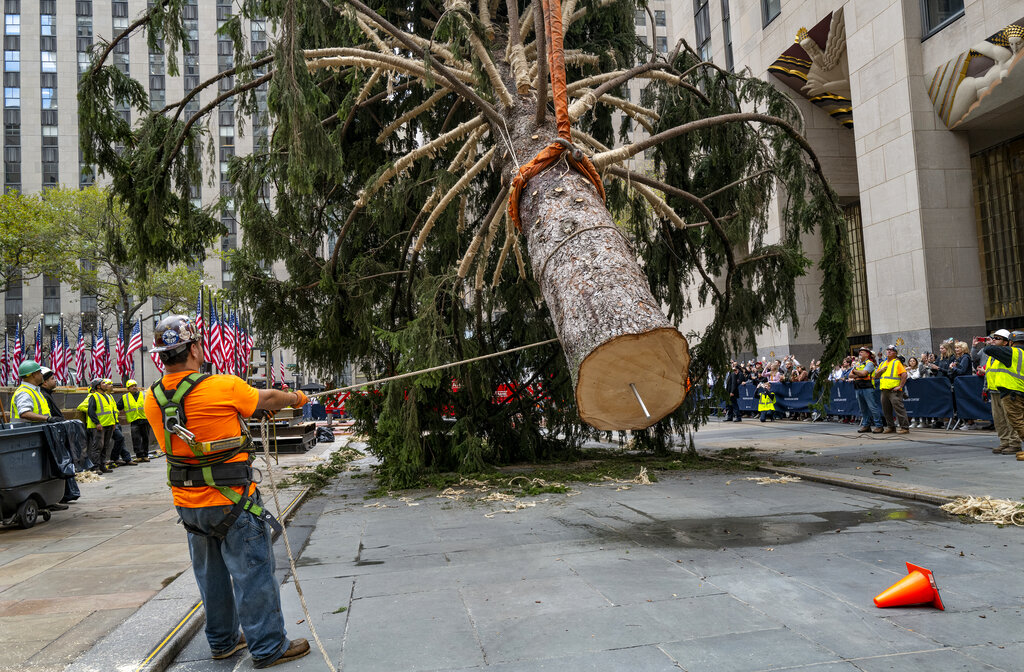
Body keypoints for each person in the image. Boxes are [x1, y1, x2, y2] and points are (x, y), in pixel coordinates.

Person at [143, 315, 311, 668]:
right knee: (253, 573)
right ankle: (268, 647)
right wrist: (296, 397)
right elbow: (267, 397)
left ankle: (222, 641)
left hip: (189, 505)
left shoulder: (152, 398)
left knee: (211, 576)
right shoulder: (221, 386)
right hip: (231, 502)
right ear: (192, 348)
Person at [976, 330, 1022, 455]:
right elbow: (990, 374)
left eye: (997, 338)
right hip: (995, 391)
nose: (994, 339)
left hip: (1007, 390)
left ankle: (1014, 443)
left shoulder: (1006, 353)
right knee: (999, 420)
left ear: (1006, 342)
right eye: (993, 337)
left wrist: (990, 345)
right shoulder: (993, 357)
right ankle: (1005, 442)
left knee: (1010, 419)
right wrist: (985, 390)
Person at [78, 378, 115, 473]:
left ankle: (102, 466)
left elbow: (111, 411)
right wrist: (97, 423)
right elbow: (90, 411)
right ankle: (95, 467)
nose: (106, 384)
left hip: (109, 425)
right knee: (97, 447)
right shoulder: (94, 396)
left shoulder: (107, 396)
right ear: (98, 386)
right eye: (103, 383)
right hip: (99, 426)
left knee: (105, 447)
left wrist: (113, 422)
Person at [874, 344, 910, 434]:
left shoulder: (896, 362)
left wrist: (900, 386)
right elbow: (876, 376)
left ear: (895, 353)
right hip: (884, 390)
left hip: (894, 390)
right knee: (886, 410)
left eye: (891, 350)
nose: (889, 351)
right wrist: (881, 370)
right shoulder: (882, 363)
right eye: (888, 350)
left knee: (899, 409)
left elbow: (904, 374)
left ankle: (905, 427)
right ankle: (891, 427)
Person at [850, 347, 884, 434]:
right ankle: (866, 425)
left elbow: (864, 373)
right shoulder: (858, 364)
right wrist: (858, 373)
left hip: (868, 387)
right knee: (863, 408)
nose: (860, 353)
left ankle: (879, 426)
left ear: (867, 354)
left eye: (862, 352)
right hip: (858, 387)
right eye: (859, 352)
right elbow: (850, 375)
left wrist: (855, 372)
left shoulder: (870, 363)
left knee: (872, 407)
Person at [118, 379, 152, 462]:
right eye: (132, 386)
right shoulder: (125, 397)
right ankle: (139, 456)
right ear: (128, 389)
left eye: (135, 386)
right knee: (136, 439)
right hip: (134, 421)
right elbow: (117, 407)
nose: (134, 387)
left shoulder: (144, 394)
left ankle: (145, 455)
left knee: (145, 438)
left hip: (144, 419)